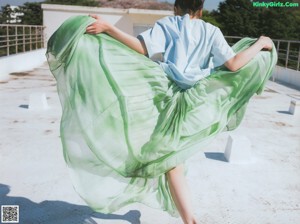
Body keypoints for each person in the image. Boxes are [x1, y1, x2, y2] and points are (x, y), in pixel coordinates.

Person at [47, 0, 277, 223]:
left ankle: (190, 220)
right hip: (198, 100)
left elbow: (142, 48)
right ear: (201, 10)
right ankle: (189, 218)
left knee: (170, 161)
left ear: (177, 8)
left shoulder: (169, 24)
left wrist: (109, 28)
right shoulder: (211, 30)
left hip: (164, 96)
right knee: (171, 160)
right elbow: (235, 64)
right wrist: (260, 43)